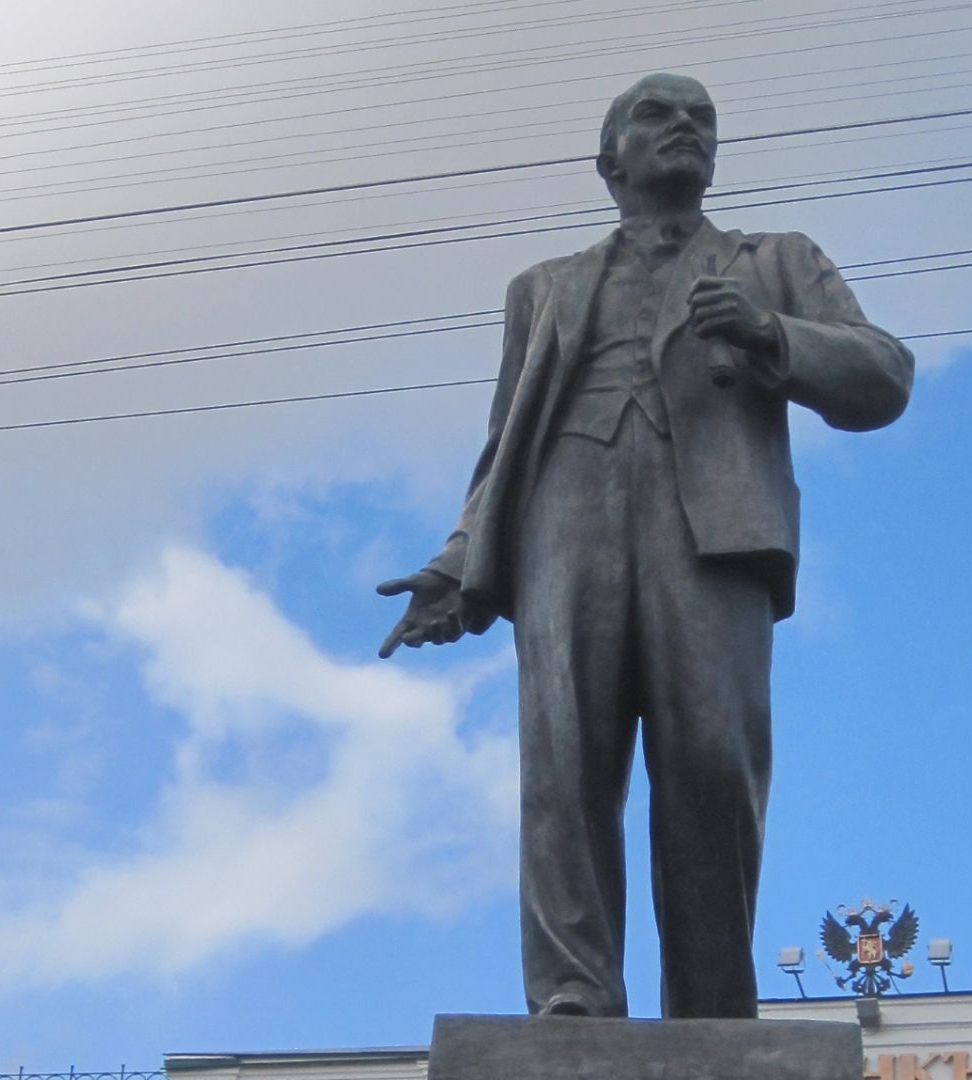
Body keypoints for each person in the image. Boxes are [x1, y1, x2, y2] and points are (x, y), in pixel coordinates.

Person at [377, 72, 912, 1019]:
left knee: (712, 761)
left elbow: (883, 376)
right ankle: (574, 997)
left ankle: (709, 1007)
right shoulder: (544, 288)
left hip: (712, 530)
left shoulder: (773, 258)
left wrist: (772, 335)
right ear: (609, 159)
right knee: (564, 764)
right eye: (658, 116)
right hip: (564, 520)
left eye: (702, 118)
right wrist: (461, 562)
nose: (686, 129)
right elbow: (505, 442)